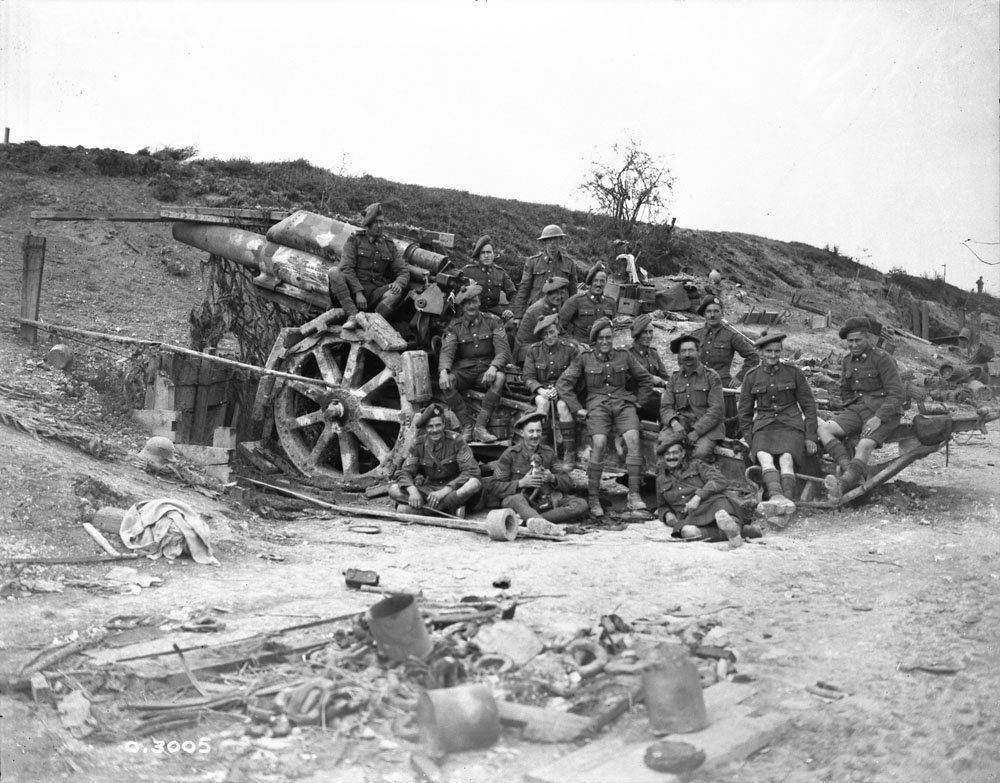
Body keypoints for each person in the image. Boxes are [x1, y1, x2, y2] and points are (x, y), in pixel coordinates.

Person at [556, 317, 655, 517]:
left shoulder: (624, 356)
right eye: (601, 338)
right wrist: (577, 409)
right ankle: (593, 499)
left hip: (623, 404)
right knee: (599, 443)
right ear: (594, 340)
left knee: (633, 439)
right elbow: (563, 384)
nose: (605, 342)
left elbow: (645, 379)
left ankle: (634, 496)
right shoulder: (584, 358)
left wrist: (638, 402)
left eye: (608, 338)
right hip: (597, 405)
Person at [818, 316, 904, 495]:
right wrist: (849, 412)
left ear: (868, 339)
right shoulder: (847, 361)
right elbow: (845, 390)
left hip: (884, 413)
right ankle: (849, 469)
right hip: (858, 410)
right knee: (824, 429)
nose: (854, 345)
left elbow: (897, 394)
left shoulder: (882, 359)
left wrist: (878, 418)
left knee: (864, 444)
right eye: (850, 341)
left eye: (858, 340)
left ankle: (843, 484)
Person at [737, 333, 818, 507]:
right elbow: (744, 412)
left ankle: (786, 499)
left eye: (776, 351)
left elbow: (809, 406)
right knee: (764, 457)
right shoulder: (751, 377)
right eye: (768, 351)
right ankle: (776, 497)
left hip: (790, 424)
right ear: (760, 353)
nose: (773, 355)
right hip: (764, 426)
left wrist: (810, 436)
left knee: (786, 458)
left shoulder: (793, 373)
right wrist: (751, 441)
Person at [484, 411, 588, 527]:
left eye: (538, 431)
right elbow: (494, 486)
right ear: (522, 433)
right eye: (531, 431)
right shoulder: (511, 454)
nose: (535, 435)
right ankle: (539, 521)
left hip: (545, 503)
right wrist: (521, 483)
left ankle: (535, 521)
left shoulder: (548, 453)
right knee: (516, 499)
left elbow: (568, 482)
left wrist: (552, 478)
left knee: (581, 504)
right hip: (521, 502)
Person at [438, 283, 511, 444]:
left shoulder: (493, 321)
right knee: (446, 382)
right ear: (462, 306)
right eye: (466, 303)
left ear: (479, 302)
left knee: (499, 378)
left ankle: (480, 427)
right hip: (465, 370)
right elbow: (447, 350)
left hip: (486, 369)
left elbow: (502, 351)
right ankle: (467, 426)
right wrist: (444, 371)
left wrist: (493, 367)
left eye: (474, 302)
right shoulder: (455, 326)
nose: (471, 306)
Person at [654, 440, 760, 546]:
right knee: (688, 532)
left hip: (711, 505)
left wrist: (698, 497)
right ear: (663, 457)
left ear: (682, 454)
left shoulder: (696, 465)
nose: (671, 457)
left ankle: (734, 529)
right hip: (690, 516)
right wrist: (667, 515)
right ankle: (742, 532)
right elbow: (662, 506)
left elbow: (720, 480)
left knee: (723, 509)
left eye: (675, 453)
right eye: (667, 454)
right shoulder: (660, 480)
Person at [327, 202, 409, 330]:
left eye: (381, 222)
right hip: (354, 292)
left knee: (395, 293)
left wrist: (399, 283)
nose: (380, 226)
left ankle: (372, 324)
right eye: (376, 222)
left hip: (375, 293)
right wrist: (358, 292)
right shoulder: (356, 239)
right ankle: (353, 316)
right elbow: (346, 268)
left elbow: (403, 271)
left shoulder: (389, 244)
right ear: (368, 224)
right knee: (334, 272)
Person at [388, 403, 482, 515]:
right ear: (425, 428)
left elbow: (471, 471)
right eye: (430, 426)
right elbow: (404, 472)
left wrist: (445, 490)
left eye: (438, 425)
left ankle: (419, 510)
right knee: (393, 490)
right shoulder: (418, 444)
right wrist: (413, 491)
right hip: (430, 489)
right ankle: (450, 509)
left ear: (444, 425)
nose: (434, 430)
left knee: (473, 484)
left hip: (454, 488)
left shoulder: (456, 440)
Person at [522, 314, 579, 462]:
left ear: (558, 330)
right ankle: (542, 451)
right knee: (542, 402)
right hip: (543, 390)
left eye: (552, 332)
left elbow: (575, 375)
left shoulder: (570, 349)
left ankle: (568, 454)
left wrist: (559, 390)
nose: (549, 337)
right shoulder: (534, 351)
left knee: (563, 406)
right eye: (545, 334)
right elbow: (528, 377)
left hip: (565, 390)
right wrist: (542, 391)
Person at [660, 334, 726, 461]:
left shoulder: (712, 377)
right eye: (683, 351)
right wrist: (674, 423)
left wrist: (697, 432)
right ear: (679, 355)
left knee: (700, 453)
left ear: (698, 352)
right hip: (681, 423)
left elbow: (716, 410)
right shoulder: (674, 378)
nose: (687, 355)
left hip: (708, 426)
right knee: (664, 443)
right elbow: (666, 407)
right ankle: (669, 478)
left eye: (691, 350)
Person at [511, 225, 579, 319]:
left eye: (555, 239)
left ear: (560, 240)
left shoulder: (569, 264)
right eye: (549, 239)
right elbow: (523, 290)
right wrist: (518, 316)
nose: (552, 243)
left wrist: (572, 315)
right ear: (544, 242)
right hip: (537, 312)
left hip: (560, 313)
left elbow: (573, 293)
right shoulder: (533, 262)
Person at [691, 295, 759, 387]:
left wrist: (740, 377)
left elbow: (753, 356)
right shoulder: (695, 335)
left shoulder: (731, 336)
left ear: (722, 314)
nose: (712, 315)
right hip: (698, 384)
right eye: (708, 311)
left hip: (721, 386)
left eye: (716, 311)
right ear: (704, 314)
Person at [513, 276, 570, 363]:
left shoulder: (553, 305)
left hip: (541, 346)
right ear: (548, 293)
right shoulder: (540, 309)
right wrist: (573, 344)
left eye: (562, 293)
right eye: (556, 293)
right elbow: (551, 336)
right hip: (526, 352)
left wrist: (576, 343)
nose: (559, 297)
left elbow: (560, 330)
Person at [462, 235, 516, 322]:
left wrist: (510, 310)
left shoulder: (500, 272)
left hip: (496, 314)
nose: (486, 256)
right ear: (478, 255)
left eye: (489, 252)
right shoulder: (468, 271)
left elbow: (513, 294)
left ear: (493, 254)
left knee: (512, 325)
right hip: (474, 314)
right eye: (483, 253)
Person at [559, 264, 617, 344]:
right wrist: (572, 342)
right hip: (581, 349)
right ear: (591, 282)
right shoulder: (576, 300)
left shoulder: (611, 302)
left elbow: (611, 327)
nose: (599, 284)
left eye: (602, 281)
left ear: (606, 282)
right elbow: (560, 325)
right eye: (596, 280)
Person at [628, 313, 670, 421]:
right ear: (637, 334)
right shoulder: (627, 354)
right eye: (644, 332)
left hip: (653, 399)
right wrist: (652, 378)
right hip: (636, 398)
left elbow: (665, 378)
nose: (648, 336)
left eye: (650, 332)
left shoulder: (653, 354)